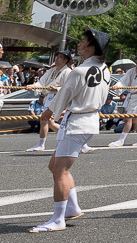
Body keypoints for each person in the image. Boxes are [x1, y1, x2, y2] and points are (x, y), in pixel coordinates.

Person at [28, 28, 112, 233]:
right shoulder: (104, 69)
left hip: (77, 122)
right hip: (88, 119)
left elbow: (63, 95)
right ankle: (72, 207)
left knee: (61, 170)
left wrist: (47, 113)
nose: (79, 45)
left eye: (83, 42)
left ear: (92, 47)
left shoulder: (79, 71)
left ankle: (58, 219)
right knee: (54, 165)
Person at [26, 50, 74, 153]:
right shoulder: (51, 71)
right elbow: (41, 82)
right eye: (57, 57)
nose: (57, 59)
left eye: (60, 57)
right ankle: (42, 143)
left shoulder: (68, 72)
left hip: (59, 97)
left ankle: (67, 140)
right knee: (46, 120)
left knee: (47, 120)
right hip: (49, 97)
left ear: (65, 60)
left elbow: (69, 87)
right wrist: (33, 86)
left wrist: (57, 88)